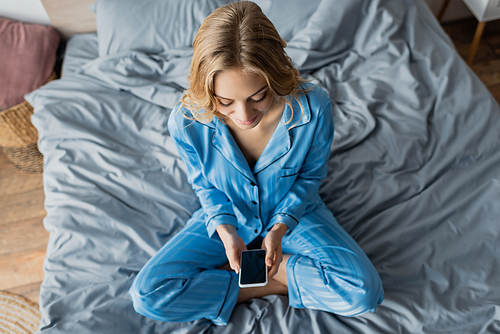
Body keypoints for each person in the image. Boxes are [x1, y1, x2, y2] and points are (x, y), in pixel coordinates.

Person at [129, 1, 384, 326]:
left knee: (362, 290)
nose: (244, 115)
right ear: (209, 91)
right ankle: (279, 284)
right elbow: (205, 184)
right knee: (148, 295)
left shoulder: (313, 107)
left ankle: (238, 285)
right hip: (228, 216)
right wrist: (224, 229)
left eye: (258, 96)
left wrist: (279, 228)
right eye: (225, 102)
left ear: (274, 76)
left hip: (295, 213)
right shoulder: (186, 121)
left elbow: (310, 176)